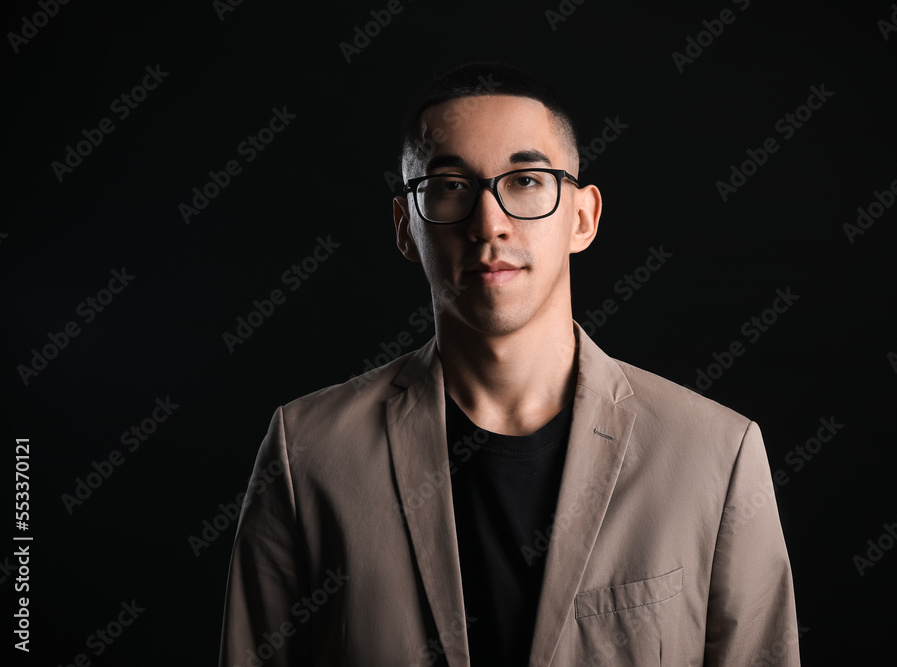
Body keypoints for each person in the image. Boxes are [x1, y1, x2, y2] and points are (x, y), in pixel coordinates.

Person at [219, 62, 800, 666]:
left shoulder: (716, 453)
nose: (489, 224)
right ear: (404, 226)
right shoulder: (308, 451)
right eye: (449, 186)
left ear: (583, 216)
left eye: (525, 181)